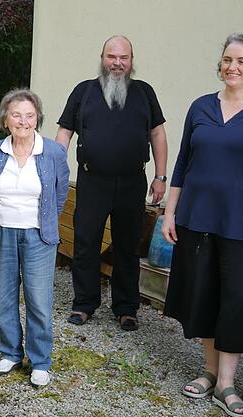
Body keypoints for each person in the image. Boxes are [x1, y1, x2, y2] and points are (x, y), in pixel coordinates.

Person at [161, 33, 243, 417]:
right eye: (226, 60)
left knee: (237, 301)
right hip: (198, 221)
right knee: (203, 295)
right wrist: (171, 212)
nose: (232, 67)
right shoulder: (201, 106)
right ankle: (207, 371)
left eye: (240, 61)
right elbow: (183, 163)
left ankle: (227, 383)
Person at [56, 35, 168, 331]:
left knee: (128, 247)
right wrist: (55, 168)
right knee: (85, 243)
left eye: (124, 58)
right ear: (102, 57)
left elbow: (157, 134)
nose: (117, 63)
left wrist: (160, 176)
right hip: (92, 180)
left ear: (131, 61)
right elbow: (65, 132)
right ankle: (84, 303)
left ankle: (126, 307)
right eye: (111, 56)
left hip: (133, 182)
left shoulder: (145, 93)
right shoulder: (84, 91)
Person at [0, 89, 69, 388]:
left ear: (37, 119)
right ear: (5, 119)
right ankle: (10, 353)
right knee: (4, 298)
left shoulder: (53, 151)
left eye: (29, 115)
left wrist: (45, 222)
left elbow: (60, 192)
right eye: (16, 115)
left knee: (39, 300)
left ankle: (40, 361)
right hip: (2, 232)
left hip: (38, 236)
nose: (23, 121)